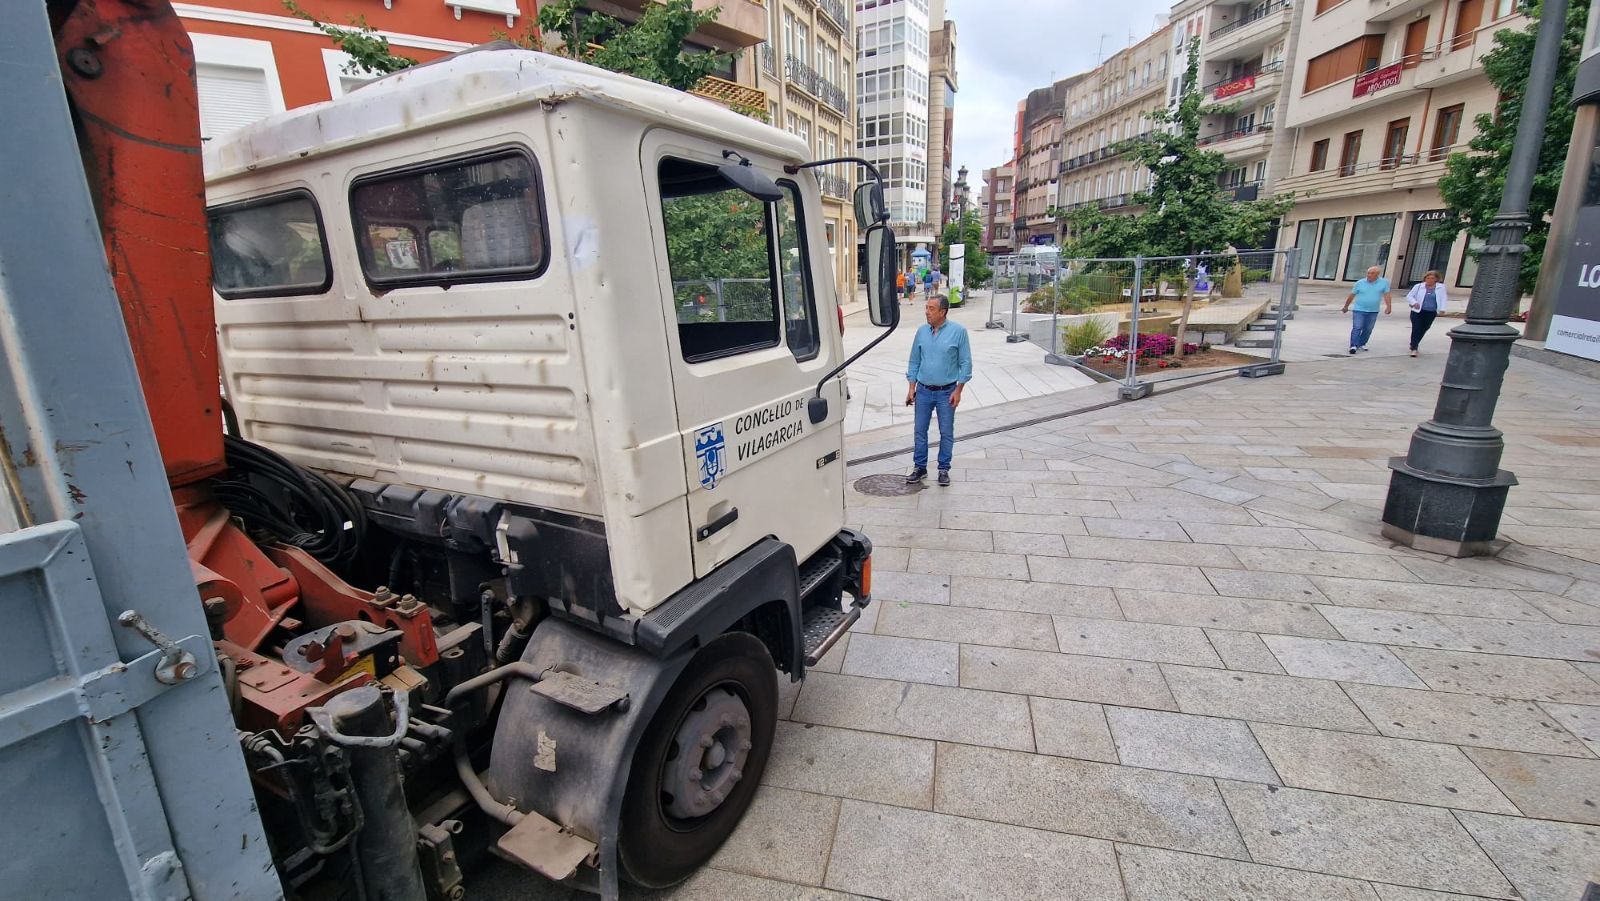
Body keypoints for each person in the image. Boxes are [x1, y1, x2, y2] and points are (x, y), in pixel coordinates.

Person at [905, 294, 972, 487]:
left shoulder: (958, 332)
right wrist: (911, 387)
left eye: (931, 309)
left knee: (946, 431)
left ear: (943, 312)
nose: (927, 312)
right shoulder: (921, 332)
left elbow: (965, 363)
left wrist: (958, 390)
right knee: (919, 430)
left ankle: (943, 469)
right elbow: (914, 361)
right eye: (926, 308)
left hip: (947, 391)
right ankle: (920, 467)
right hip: (924, 390)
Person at [1341, 265, 1392, 354]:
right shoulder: (1360, 283)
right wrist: (1346, 306)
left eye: (1372, 273)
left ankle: (1362, 343)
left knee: (1368, 328)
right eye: (1368, 273)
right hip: (1359, 309)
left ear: (1377, 274)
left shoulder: (1384, 283)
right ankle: (1353, 345)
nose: (1369, 275)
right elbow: (1352, 295)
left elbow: (1387, 295)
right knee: (1357, 327)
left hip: (1373, 310)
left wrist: (1389, 306)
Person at [1405, 270, 1449, 357]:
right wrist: (1414, 302)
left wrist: (1442, 308)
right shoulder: (1418, 286)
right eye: (1428, 278)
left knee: (1424, 328)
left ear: (1436, 279)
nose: (1429, 280)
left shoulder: (1441, 287)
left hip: (1431, 312)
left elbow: (1443, 298)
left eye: (1432, 278)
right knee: (1416, 328)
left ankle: (1414, 342)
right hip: (1417, 311)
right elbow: (1409, 296)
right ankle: (1414, 348)